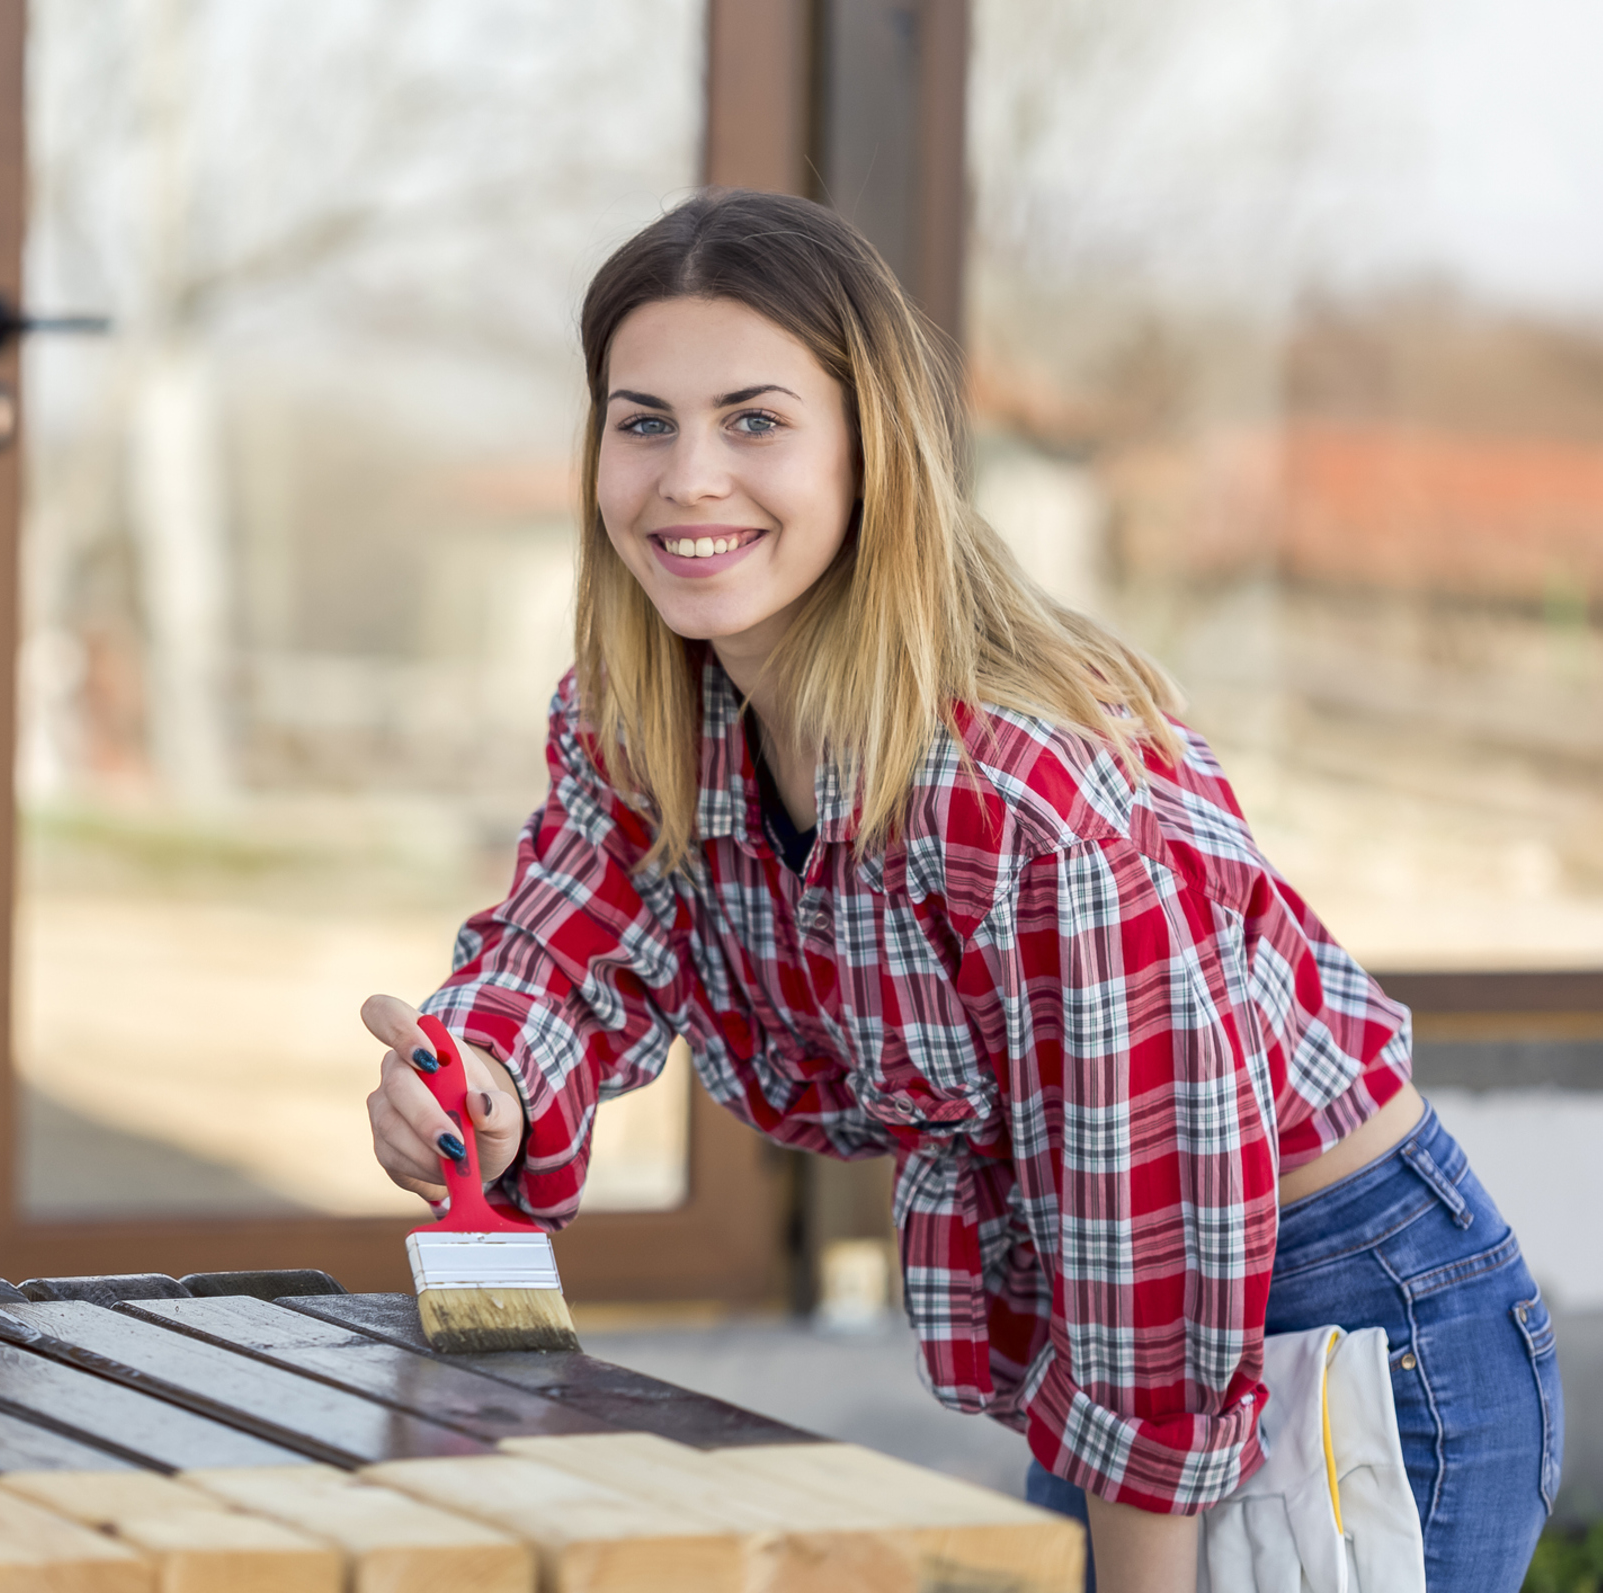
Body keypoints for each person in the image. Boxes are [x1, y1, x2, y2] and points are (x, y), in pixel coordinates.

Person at [360, 189, 1559, 1593]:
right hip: (1108, 1324)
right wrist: (485, 1077)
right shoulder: (644, 716)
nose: (689, 477)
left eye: (754, 421)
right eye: (644, 423)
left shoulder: (1015, 791)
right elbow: (568, 953)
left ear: (870, 449)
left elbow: (1146, 1225)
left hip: (1333, 1307)